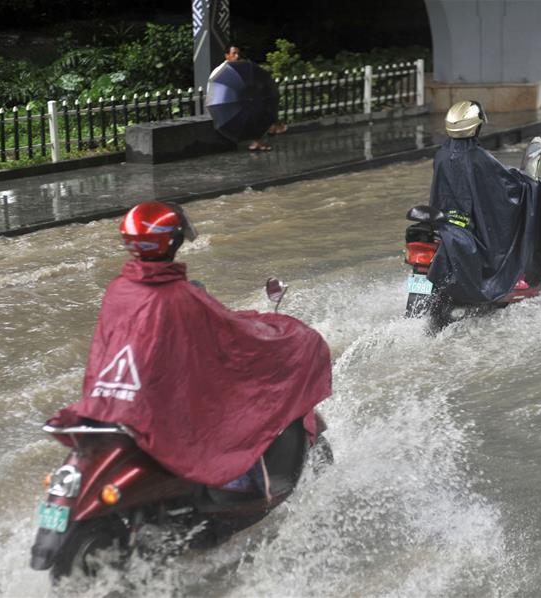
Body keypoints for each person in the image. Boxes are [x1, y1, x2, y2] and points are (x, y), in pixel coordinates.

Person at [46, 201, 332, 493]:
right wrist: (285, 334)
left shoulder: (119, 289)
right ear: (175, 240)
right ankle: (246, 484)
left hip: (123, 406)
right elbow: (234, 336)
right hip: (161, 408)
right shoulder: (178, 296)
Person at [427, 100, 541, 308]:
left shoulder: (441, 155)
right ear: (476, 127)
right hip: (471, 230)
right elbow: (507, 189)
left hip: (446, 224)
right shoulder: (479, 157)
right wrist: (530, 184)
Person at [222, 44, 286, 150]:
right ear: (227, 56)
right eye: (234, 54)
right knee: (254, 111)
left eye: (238, 53)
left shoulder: (239, 67)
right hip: (230, 103)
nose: (237, 56)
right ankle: (269, 130)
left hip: (241, 99)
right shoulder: (224, 70)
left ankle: (260, 138)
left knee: (260, 105)